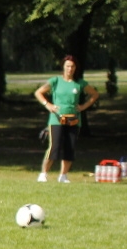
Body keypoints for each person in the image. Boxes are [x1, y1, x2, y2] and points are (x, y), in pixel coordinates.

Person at [35, 55, 99, 183]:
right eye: (68, 66)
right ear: (63, 67)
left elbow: (94, 94)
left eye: (72, 66)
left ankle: (63, 175)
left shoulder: (79, 83)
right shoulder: (56, 81)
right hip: (56, 119)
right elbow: (39, 92)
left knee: (70, 147)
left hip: (74, 119)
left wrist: (83, 106)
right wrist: (48, 105)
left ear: (76, 68)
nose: (70, 69)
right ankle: (44, 173)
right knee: (54, 146)